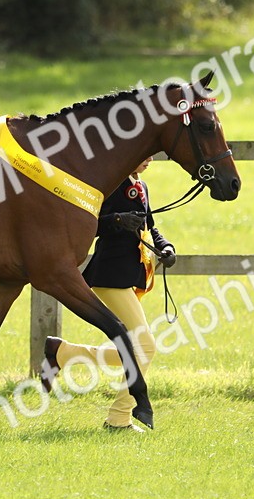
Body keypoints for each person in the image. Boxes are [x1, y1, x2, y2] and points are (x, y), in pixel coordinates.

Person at [40, 157, 177, 431]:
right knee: (146, 346)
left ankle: (63, 352)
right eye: (145, 155)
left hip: (130, 275)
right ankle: (119, 419)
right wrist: (116, 220)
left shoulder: (142, 186)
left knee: (136, 349)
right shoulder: (109, 185)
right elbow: (87, 225)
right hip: (109, 275)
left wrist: (166, 246)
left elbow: (150, 226)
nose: (150, 160)